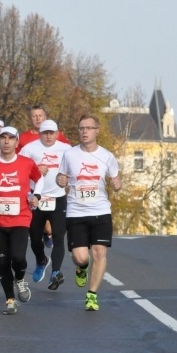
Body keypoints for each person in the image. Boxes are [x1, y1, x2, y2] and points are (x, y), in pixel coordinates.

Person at [56, 114, 122, 311]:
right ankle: (82, 268)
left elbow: (116, 180)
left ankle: (92, 295)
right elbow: (60, 176)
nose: (84, 132)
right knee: (81, 257)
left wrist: (117, 184)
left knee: (99, 252)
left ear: (96, 131)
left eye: (88, 128)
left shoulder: (107, 156)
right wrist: (60, 180)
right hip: (76, 211)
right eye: (81, 128)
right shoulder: (69, 154)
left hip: (101, 210)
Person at [0, 127, 43, 315]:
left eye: (11, 138)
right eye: (3, 138)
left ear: (17, 142)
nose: (6, 142)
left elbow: (39, 179)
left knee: (18, 257)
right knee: (3, 262)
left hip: (20, 218)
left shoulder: (26, 163)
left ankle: (20, 279)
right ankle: (10, 300)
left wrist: (37, 195)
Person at [20, 119, 72, 290]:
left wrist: (68, 182)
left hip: (58, 198)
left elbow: (74, 171)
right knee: (35, 237)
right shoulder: (29, 148)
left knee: (58, 237)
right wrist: (34, 169)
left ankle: (55, 272)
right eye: (45, 133)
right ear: (40, 133)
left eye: (51, 133)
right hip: (36, 198)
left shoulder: (66, 149)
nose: (48, 136)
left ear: (57, 133)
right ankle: (41, 260)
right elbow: (19, 171)